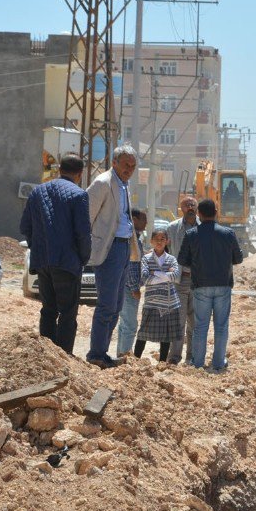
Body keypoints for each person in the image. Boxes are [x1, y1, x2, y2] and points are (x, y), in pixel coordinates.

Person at [19, 153, 91, 355]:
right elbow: (83, 233)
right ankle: (64, 357)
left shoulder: (37, 192)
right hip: (67, 263)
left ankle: (47, 357)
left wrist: (37, 248)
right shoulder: (79, 195)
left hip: (42, 262)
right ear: (80, 174)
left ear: (60, 169)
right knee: (68, 313)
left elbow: (25, 226)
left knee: (48, 310)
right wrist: (83, 258)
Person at [86, 145, 139, 369]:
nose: (129, 169)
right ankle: (96, 354)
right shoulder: (102, 183)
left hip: (124, 247)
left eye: (133, 166)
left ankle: (103, 353)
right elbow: (86, 217)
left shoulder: (124, 185)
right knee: (107, 304)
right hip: (109, 249)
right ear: (114, 162)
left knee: (117, 305)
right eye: (126, 164)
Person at [178, 199, 244, 372]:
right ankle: (218, 363)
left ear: (199, 213)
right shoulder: (228, 233)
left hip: (200, 285)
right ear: (216, 212)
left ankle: (198, 363)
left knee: (200, 326)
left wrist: (197, 263)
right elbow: (238, 258)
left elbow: (181, 260)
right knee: (221, 325)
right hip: (223, 285)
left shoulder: (191, 234)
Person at [134, 229, 182, 362]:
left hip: (169, 303)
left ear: (167, 241)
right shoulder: (146, 259)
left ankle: (162, 362)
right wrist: (166, 275)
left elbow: (176, 276)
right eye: (156, 239)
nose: (159, 242)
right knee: (143, 332)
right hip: (152, 302)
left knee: (166, 335)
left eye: (162, 239)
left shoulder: (172, 259)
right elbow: (145, 278)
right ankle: (136, 360)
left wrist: (154, 272)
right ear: (151, 241)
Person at [166, 196, 199, 364]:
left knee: (194, 322)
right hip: (179, 280)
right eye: (187, 205)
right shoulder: (172, 229)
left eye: (193, 204)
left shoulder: (204, 228)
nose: (190, 207)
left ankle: (191, 357)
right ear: (182, 209)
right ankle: (174, 357)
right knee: (178, 321)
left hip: (198, 282)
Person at [116, 209, 147, 358]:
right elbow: (131, 265)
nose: (146, 223)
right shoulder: (131, 239)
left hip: (124, 287)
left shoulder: (134, 237)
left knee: (124, 324)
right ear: (134, 219)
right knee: (129, 325)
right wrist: (135, 287)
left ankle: (121, 355)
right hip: (129, 289)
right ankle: (125, 357)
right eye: (143, 220)